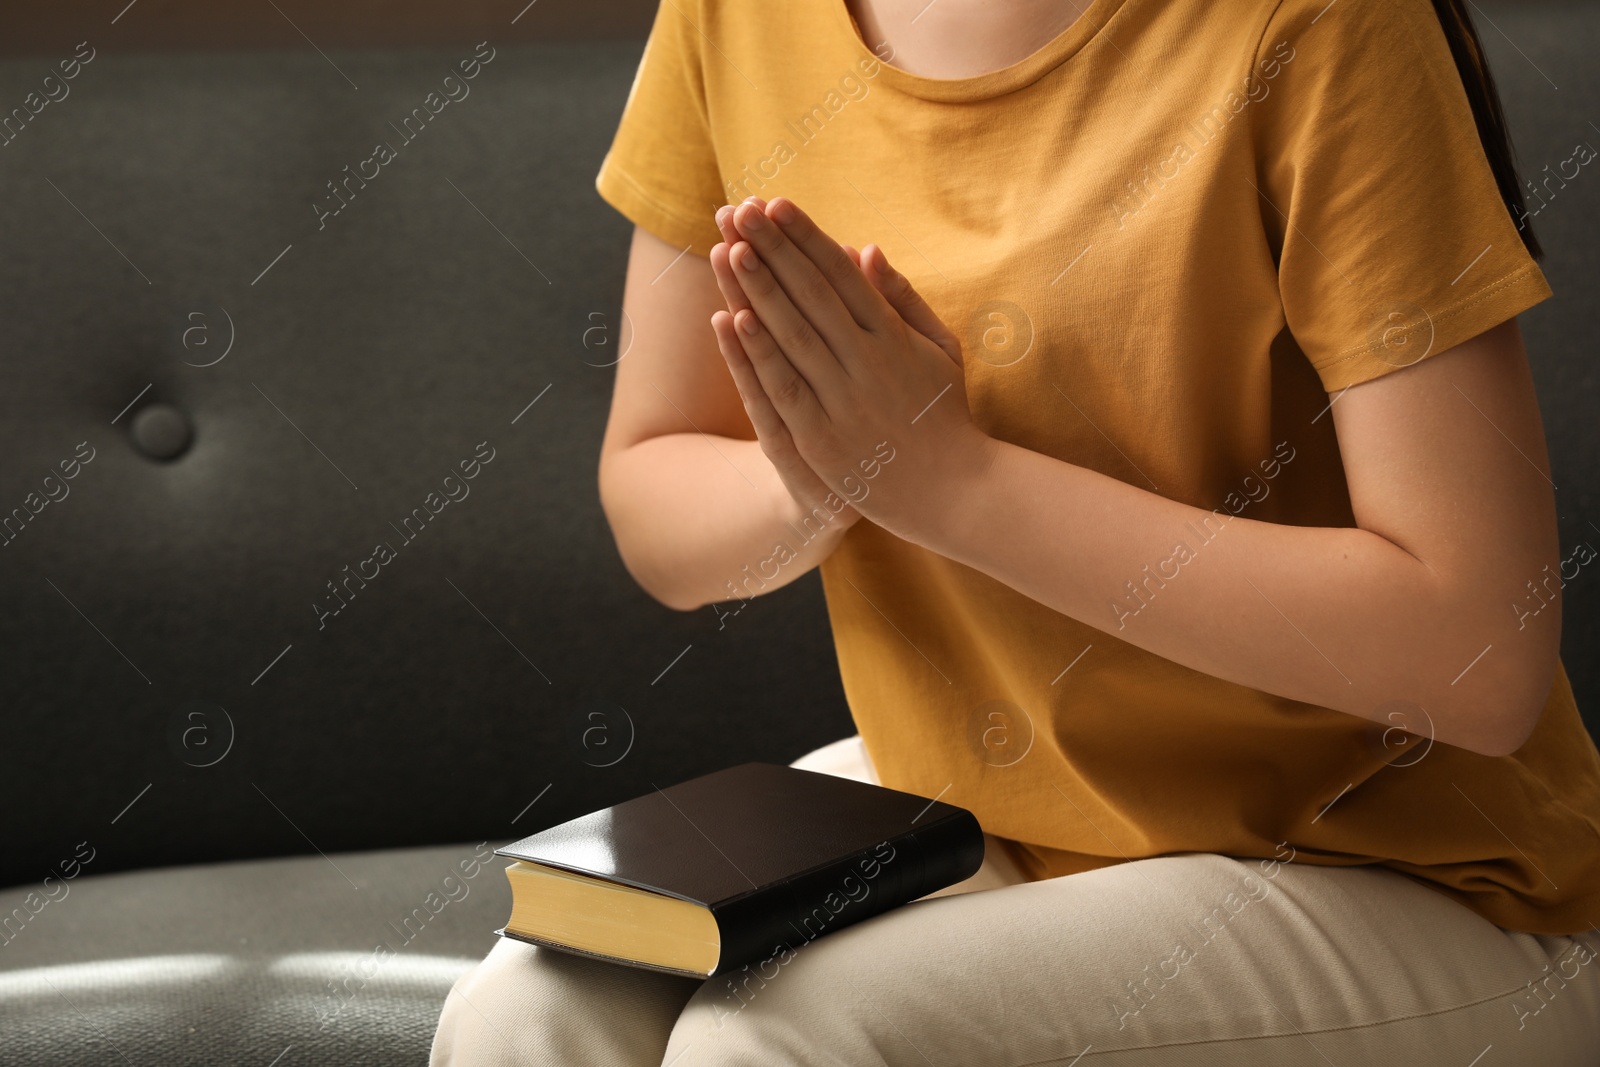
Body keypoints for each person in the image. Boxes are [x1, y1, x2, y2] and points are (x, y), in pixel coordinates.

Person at [431, 0, 1600, 1061]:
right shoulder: (731, 16)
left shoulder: (1329, 26)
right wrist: (825, 476)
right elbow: (655, 489)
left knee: (780, 1046)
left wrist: (952, 482)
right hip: (985, 806)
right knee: (523, 1018)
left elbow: (1477, 652)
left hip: (1397, 869)